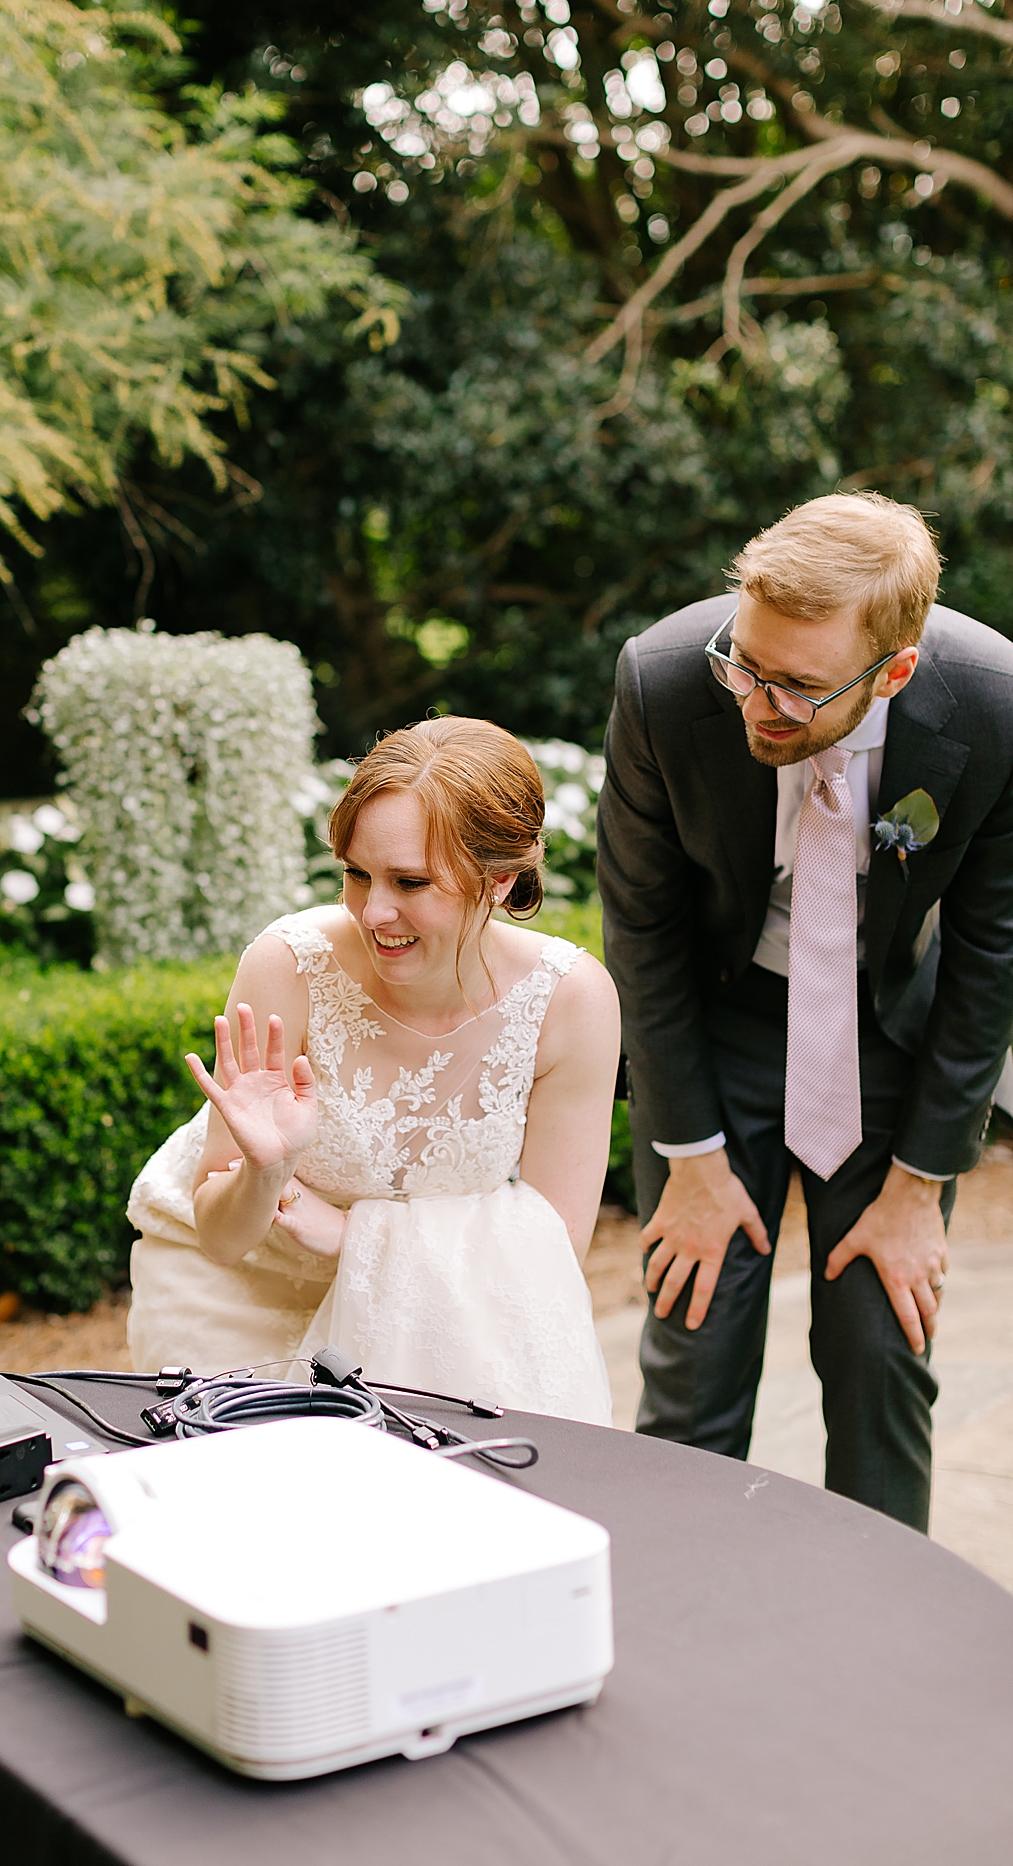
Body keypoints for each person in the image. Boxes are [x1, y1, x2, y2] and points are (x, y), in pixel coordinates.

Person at [596, 491, 1013, 1531]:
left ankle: (879, 1649)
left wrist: (921, 1183)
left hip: (883, 1040)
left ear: (895, 672)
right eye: (745, 663)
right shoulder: (663, 679)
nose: (756, 702)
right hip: (719, 1023)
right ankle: (680, 1635)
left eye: (796, 688)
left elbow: (990, 954)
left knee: (880, 1354)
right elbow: (639, 929)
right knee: (694, 1346)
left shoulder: (995, 706)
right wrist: (687, 1155)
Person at [126, 716, 618, 1421]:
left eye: (411, 882)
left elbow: (553, 1249)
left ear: (502, 882)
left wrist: (358, 1239)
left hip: (430, 1316)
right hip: (242, 1298)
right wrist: (267, 1175)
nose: (373, 910)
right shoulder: (288, 965)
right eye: (356, 874)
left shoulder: (571, 1000)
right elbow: (223, 1239)